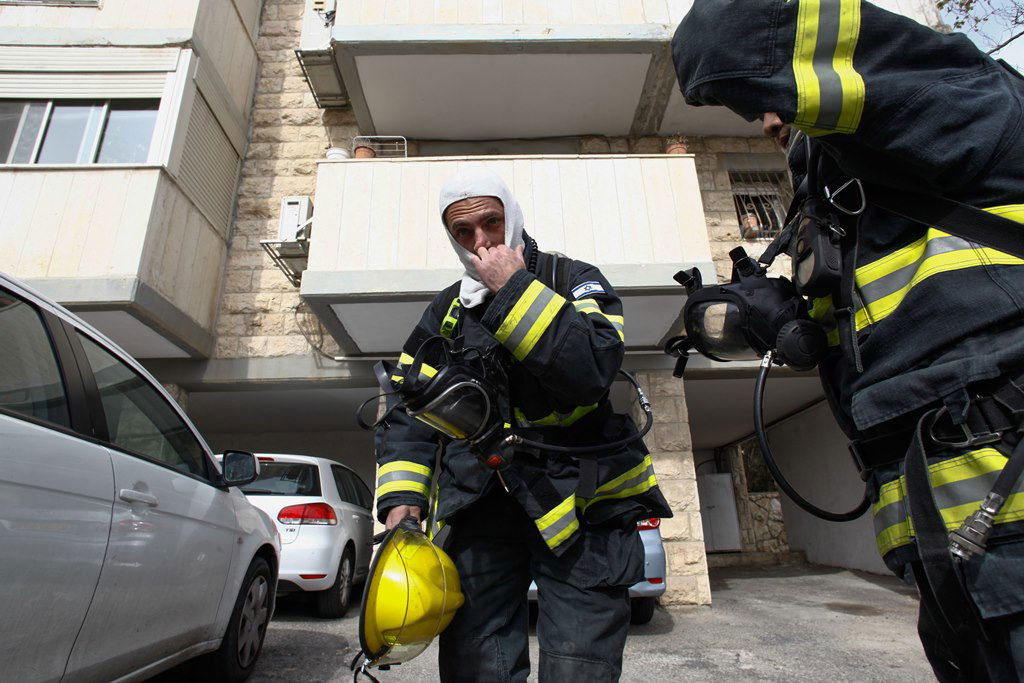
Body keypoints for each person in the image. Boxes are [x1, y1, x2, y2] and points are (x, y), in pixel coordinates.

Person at [673, 1, 1024, 680]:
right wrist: (790, 322)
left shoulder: (960, 95)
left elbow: (727, 36)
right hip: (948, 551)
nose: (768, 121)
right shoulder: (847, 207)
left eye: (773, 104)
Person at [374, 169, 672, 682]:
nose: (481, 242)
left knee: (580, 670)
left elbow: (590, 370)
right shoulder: (446, 312)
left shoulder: (573, 278)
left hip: (582, 508)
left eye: (491, 222)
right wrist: (403, 502)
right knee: (475, 666)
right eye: (463, 231)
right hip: (480, 505)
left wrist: (513, 287)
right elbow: (408, 412)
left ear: (511, 217)